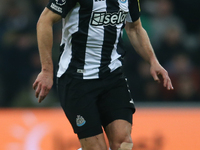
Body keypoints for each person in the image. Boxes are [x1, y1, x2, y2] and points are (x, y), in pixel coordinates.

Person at [33, 0, 173, 150]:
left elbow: (135, 28)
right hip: (76, 79)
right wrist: (47, 70)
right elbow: (44, 20)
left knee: (123, 144)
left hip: (112, 76)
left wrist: (153, 61)